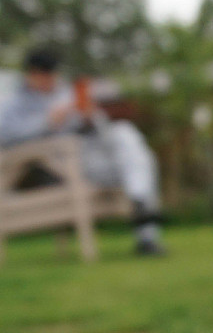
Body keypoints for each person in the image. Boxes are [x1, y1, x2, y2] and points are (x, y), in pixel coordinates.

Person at [0, 49, 166, 256]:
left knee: (128, 136)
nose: (50, 79)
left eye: (52, 73)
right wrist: (46, 123)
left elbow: (99, 130)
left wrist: (91, 117)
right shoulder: (11, 106)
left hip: (91, 159)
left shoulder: (66, 94)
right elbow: (4, 137)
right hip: (54, 169)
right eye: (44, 74)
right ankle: (144, 221)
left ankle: (141, 209)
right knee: (139, 162)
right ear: (31, 74)